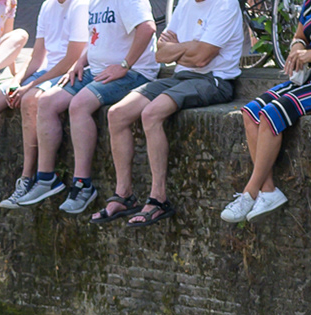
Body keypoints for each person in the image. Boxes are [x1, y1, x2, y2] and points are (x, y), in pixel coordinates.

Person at [221, 0, 311, 223]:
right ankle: (269, 190)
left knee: (272, 113)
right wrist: (297, 49)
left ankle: (250, 192)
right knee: (251, 112)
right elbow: (299, 36)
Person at [98, 0, 243, 227]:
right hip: (180, 78)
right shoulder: (185, 3)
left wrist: (178, 50)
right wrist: (190, 47)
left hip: (214, 79)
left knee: (151, 113)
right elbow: (160, 54)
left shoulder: (225, 4)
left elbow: (201, 58)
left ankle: (158, 199)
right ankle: (124, 195)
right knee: (117, 113)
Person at [0, 0, 89, 206]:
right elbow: (36, 56)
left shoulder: (80, 6)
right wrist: (16, 80)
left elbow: (70, 60)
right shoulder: (48, 6)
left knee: (30, 100)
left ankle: (27, 179)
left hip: (66, 73)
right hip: (46, 72)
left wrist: (29, 85)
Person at [49, 0, 154, 214]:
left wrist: (125, 65)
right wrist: (80, 61)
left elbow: (148, 28)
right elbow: (97, 37)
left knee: (79, 104)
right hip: (96, 70)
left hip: (134, 73)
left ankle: (82, 184)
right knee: (46, 101)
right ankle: (43, 179)